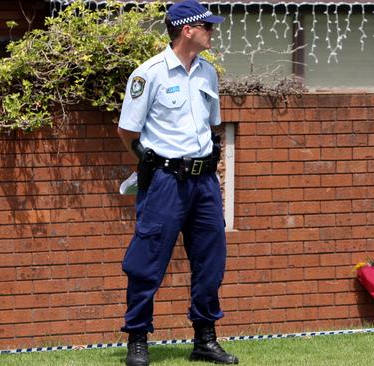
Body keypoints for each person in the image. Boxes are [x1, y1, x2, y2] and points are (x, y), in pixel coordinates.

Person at [116, 1, 237, 365]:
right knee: (147, 259)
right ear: (188, 30)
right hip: (165, 181)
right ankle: (137, 339)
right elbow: (127, 131)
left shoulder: (208, 74)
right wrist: (150, 162)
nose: (212, 32)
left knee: (210, 260)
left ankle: (205, 338)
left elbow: (211, 125)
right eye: (207, 26)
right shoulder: (148, 74)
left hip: (204, 184)